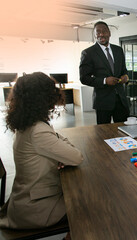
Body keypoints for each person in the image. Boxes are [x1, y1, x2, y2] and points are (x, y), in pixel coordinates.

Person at [0, 72, 83, 229]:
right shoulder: (38, 131)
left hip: (25, 201)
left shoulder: (25, 124)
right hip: (37, 208)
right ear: (43, 98)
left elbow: (55, 145)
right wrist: (61, 145)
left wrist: (58, 148)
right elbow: (77, 157)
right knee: (92, 203)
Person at [80, 21, 130, 124]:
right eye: (98, 32)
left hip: (121, 100)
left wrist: (126, 77)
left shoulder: (118, 50)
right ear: (94, 35)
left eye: (104, 31)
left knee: (124, 131)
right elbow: (84, 78)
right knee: (104, 134)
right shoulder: (88, 53)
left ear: (109, 33)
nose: (101, 34)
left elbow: (124, 70)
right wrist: (104, 81)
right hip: (103, 102)